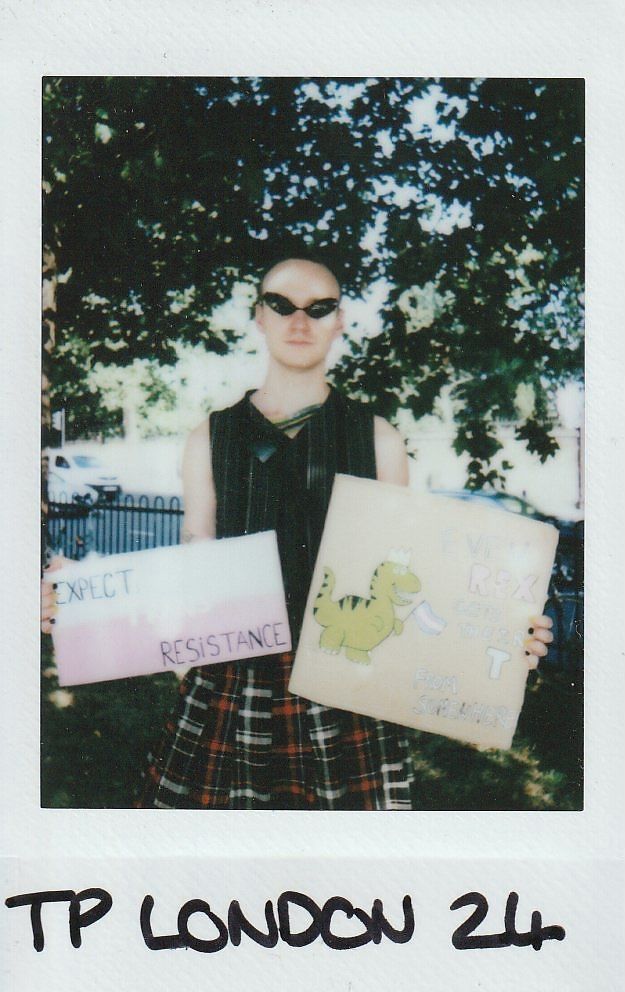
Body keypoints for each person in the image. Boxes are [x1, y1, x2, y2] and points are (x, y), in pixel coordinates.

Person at [42, 254, 554, 809]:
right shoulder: (209, 438)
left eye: (320, 307)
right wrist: (85, 605)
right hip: (233, 687)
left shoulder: (379, 440)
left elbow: (407, 578)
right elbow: (196, 564)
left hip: (347, 685)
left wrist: (500, 634)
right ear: (258, 316)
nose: (299, 321)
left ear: (341, 320)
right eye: (281, 305)